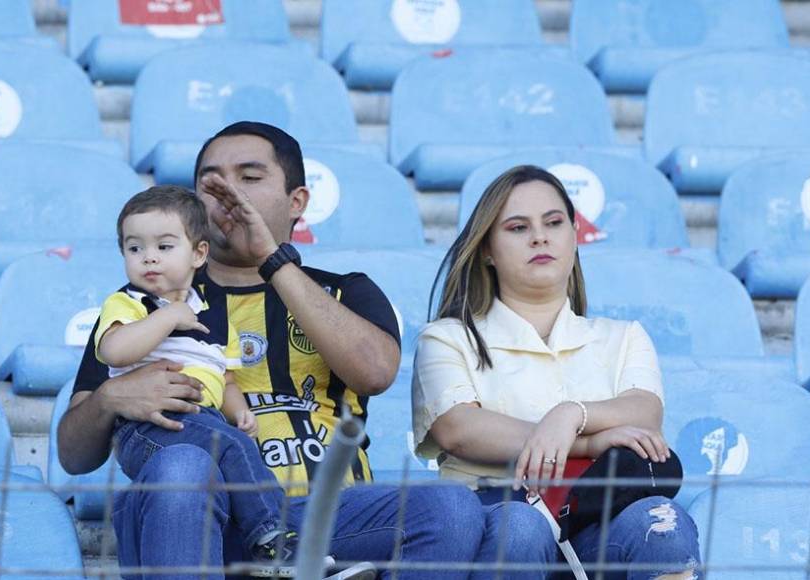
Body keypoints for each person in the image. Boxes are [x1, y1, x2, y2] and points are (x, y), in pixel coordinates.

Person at [58, 122, 554, 580]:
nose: (229, 194)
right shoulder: (144, 306)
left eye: (250, 178)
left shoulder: (346, 292)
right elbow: (74, 455)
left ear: (298, 201)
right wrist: (109, 399)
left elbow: (376, 372)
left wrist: (272, 260)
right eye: (212, 183)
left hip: (331, 517)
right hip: (200, 513)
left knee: (453, 509)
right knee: (183, 467)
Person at [412, 165, 701, 580]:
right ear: (488, 250)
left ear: (573, 237)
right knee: (521, 529)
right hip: (493, 522)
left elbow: (644, 415)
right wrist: (591, 441)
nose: (539, 237)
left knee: (663, 522)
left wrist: (570, 415)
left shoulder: (623, 337)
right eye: (517, 227)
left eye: (554, 222)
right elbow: (459, 429)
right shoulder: (447, 338)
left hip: (593, 520)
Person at [96, 184, 324, 572]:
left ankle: (270, 541)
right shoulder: (129, 302)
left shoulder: (212, 314)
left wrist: (240, 412)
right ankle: (274, 537)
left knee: (232, 444)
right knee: (230, 447)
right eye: (135, 249)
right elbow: (114, 351)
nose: (148, 258)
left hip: (204, 422)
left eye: (164, 247)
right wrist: (166, 317)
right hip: (145, 430)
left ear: (198, 253)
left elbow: (226, 378)